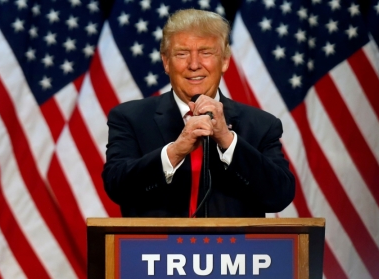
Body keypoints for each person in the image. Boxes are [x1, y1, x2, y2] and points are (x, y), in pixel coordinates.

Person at [102, 8, 295, 217]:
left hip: (232, 249)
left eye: (206, 53)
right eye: (182, 53)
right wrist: (175, 152)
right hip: (156, 248)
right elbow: (116, 186)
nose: (194, 65)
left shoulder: (261, 125)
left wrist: (228, 141)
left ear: (225, 60)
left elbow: (280, 196)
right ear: (166, 62)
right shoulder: (130, 118)